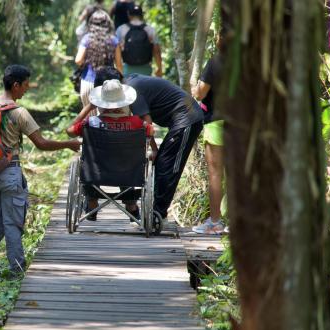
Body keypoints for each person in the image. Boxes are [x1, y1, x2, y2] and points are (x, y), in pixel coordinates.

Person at [0, 65, 81, 281]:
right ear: (16, 85)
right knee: (12, 224)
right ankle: (16, 269)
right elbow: (41, 144)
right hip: (9, 174)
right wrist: (68, 144)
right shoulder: (19, 112)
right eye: (25, 85)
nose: (26, 90)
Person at [92, 68, 204, 228]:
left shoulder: (133, 90)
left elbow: (147, 123)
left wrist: (147, 150)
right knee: (162, 163)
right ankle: (157, 213)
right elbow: (145, 123)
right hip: (179, 119)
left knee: (169, 166)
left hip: (187, 117)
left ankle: (158, 215)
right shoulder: (129, 83)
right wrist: (154, 150)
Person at [66, 79, 158, 221]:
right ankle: (131, 205)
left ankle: (92, 202)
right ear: (125, 102)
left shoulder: (90, 123)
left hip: (96, 173)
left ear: (100, 104)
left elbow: (69, 131)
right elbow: (151, 132)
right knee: (125, 157)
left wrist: (88, 108)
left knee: (94, 160)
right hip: (128, 173)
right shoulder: (138, 124)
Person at [191, 41, 227, 235]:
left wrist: (195, 88)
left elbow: (200, 92)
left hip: (217, 123)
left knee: (215, 175)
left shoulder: (215, 63)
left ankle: (215, 222)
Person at [75, 11, 123, 107]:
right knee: (107, 118)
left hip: (88, 82)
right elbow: (119, 64)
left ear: (91, 23)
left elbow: (78, 60)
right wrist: (122, 79)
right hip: (108, 86)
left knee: (90, 119)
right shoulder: (113, 40)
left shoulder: (87, 38)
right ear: (107, 24)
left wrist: (89, 63)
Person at [116, 5, 162, 77]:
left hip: (127, 70)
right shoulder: (150, 29)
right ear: (141, 15)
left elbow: (117, 52)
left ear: (129, 15)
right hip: (146, 69)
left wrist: (120, 71)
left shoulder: (121, 29)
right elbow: (157, 51)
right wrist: (159, 68)